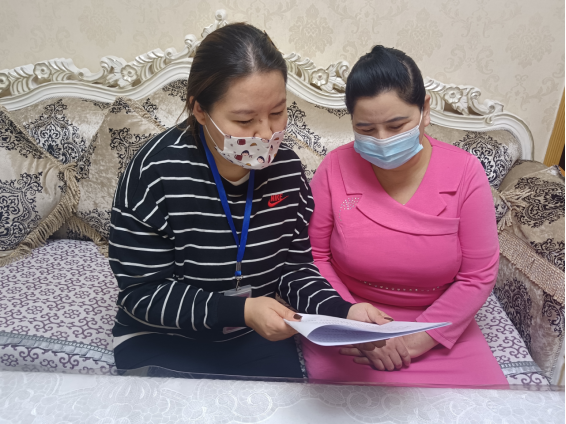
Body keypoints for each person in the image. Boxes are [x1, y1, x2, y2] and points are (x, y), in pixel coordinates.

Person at [108, 24, 388, 379]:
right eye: (244, 120)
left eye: (277, 112)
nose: (266, 134)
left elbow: (294, 269)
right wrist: (240, 311)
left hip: (252, 337)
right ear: (199, 110)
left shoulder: (286, 170)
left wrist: (342, 312)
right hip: (162, 337)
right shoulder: (155, 171)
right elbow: (141, 292)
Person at [303, 45, 508, 386]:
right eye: (366, 129)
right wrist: (353, 323)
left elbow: (478, 276)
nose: (382, 140)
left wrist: (416, 340)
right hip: (351, 320)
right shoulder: (335, 167)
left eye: (396, 125)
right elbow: (315, 256)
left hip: (440, 325)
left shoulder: (465, 173)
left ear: (425, 109)